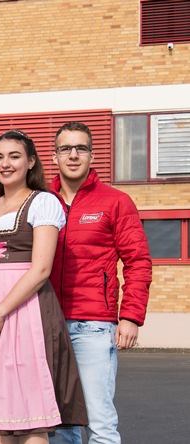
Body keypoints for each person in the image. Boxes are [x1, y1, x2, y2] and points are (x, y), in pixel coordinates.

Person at [0, 130, 87, 444]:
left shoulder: (43, 202)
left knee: (31, 417)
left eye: (15, 156)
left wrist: (0, 311)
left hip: (24, 312)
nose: (5, 164)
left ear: (31, 162)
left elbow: (42, 268)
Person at [48, 122, 152, 444]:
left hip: (93, 325)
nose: (73, 155)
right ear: (54, 156)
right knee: (62, 422)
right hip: (49, 324)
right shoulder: (41, 201)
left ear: (92, 155)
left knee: (99, 421)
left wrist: (130, 316)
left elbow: (138, 260)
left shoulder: (115, 201)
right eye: (66, 148)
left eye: (81, 148)